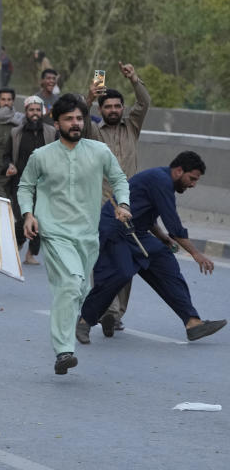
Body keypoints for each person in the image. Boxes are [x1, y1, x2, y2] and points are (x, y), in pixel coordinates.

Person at [17, 94, 131, 375]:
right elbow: (25, 186)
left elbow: (118, 179)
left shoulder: (99, 152)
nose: (75, 123)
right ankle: (64, 351)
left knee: (79, 289)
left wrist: (124, 204)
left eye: (79, 118)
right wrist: (28, 214)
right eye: (69, 119)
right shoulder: (41, 156)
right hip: (54, 231)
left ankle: (65, 342)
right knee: (69, 284)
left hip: (87, 234)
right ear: (56, 123)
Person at [77, 152, 227, 344]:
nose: (193, 185)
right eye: (192, 179)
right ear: (179, 171)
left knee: (166, 264)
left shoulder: (163, 181)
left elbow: (146, 215)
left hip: (137, 234)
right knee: (119, 274)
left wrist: (161, 238)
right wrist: (197, 254)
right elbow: (175, 228)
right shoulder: (161, 181)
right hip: (115, 231)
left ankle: (192, 322)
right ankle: (84, 322)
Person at [82, 62, 152, 333]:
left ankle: (116, 313)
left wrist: (134, 78)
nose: (112, 110)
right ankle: (107, 310)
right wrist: (90, 96)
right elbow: (80, 116)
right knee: (101, 258)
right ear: (101, 110)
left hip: (129, 205)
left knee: (128, 258)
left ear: (122, 108)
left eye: (116, 106)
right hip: (101, 203)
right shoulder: (94, 133)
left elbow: (145, 102)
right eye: (107, 107)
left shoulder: (132, 127)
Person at [2, 96, 54, 265]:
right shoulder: (16, 133)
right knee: (22, 218)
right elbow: (6, 156)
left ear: (42, 112)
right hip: (20, 184)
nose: (35, 113)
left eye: (38, 110)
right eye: (31, 110)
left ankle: (31, 254)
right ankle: (17, 245)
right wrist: (9, 165)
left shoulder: (51, 132)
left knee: (39, 219)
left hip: (44, 184)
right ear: (26, 112)